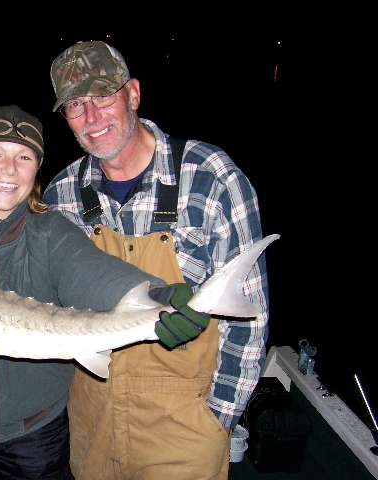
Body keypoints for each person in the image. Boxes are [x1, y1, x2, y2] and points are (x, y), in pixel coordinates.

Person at [0, 104, 207, 479]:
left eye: (24, 157)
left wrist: (156, 296)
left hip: (36, 431)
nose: (9, 169)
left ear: (35, 170)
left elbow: (92, 273)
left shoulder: (51, 232)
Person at [43, 41, 269, 480]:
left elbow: (250, 319)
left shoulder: (211, 176)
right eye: (75, 105)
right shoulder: (61, 195)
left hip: (183, 424)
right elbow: (51, 308)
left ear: (133, 94)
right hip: (93, 414)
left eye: (103, 96)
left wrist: (219, 419)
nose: (92, 118)